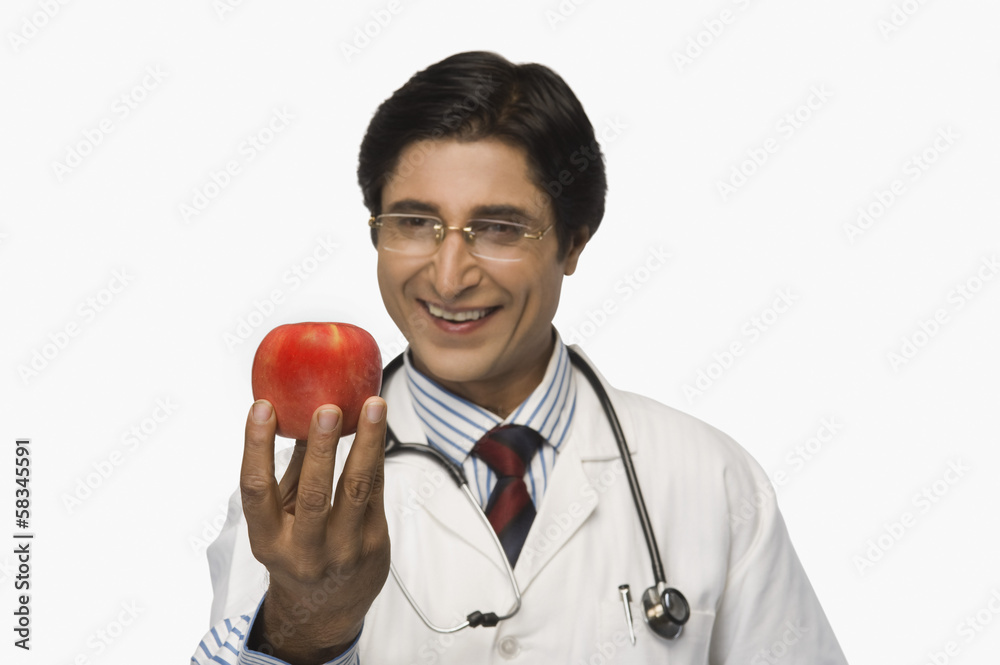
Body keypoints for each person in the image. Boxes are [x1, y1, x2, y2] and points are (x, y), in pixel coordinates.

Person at [192, 51, 848, 664]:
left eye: (500, 228)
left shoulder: (710, 480)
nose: (448, 277)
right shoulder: (295, 505)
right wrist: (308, 628)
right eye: (415, 222)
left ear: (573, 242)